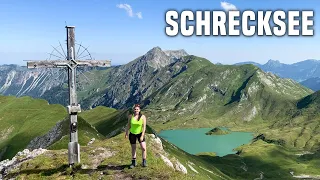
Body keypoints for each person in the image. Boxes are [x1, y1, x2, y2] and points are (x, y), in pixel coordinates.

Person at [125, 104, 147, 168]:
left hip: (140, 133)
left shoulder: (143, 117)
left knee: (143, 148)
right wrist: (126, 132)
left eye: (137, 109)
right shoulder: (130, 116)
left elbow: (144, 127)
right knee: (133, 148)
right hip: (132, 134)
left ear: (139, 110)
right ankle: (133, 162)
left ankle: (144, 161)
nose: (136, 110)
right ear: (133, 110)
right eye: (135, 109)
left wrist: (142, 135)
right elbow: (128, 125)